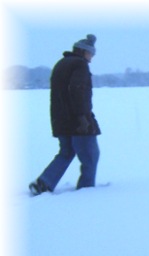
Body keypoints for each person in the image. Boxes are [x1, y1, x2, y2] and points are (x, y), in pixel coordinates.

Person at [29, 34, 101, 196]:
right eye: (91, 54)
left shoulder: (61, 63)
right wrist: (83, 118)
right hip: (77, 121)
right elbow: (78, 91)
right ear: (83, 52)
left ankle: (44, 183)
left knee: (66, 152)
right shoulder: (80, 65)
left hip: (60, 119)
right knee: (90, 155)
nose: (92, 58)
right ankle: (86, 190)